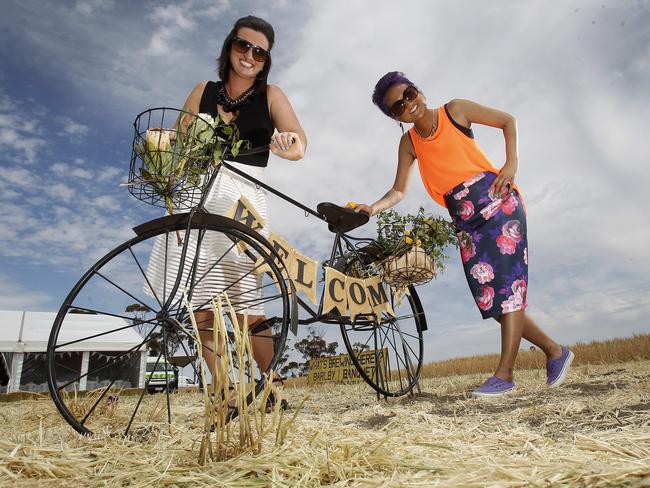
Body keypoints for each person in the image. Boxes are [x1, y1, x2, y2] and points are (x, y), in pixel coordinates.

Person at [351, 71, 572, 397]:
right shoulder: (409, 143)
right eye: (398, 107)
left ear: (419, 92)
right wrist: (370, 208)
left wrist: (510, 165)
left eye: (409, 94)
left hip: (499, 204)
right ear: (395, 117)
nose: (407, 104)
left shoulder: (455, 111)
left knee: (508, 290)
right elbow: (398, 191)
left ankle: (505, 374)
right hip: (465, 223)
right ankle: (555, 351)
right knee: (492, 299)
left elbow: (507, 121)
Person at [146, 15, 306, 408]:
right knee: (198, 296)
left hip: (241, 198)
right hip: (194, 192)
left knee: (246, 297)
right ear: (229, 46)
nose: (249, 55)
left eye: (259, 52)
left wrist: (288, 145)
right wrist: (160, 154)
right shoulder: (203, 91)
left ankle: (273, 383)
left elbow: (299, 142)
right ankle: (224, 391)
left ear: (266, 60)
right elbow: (179, 142)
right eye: (243, 45)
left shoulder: (272, 95)